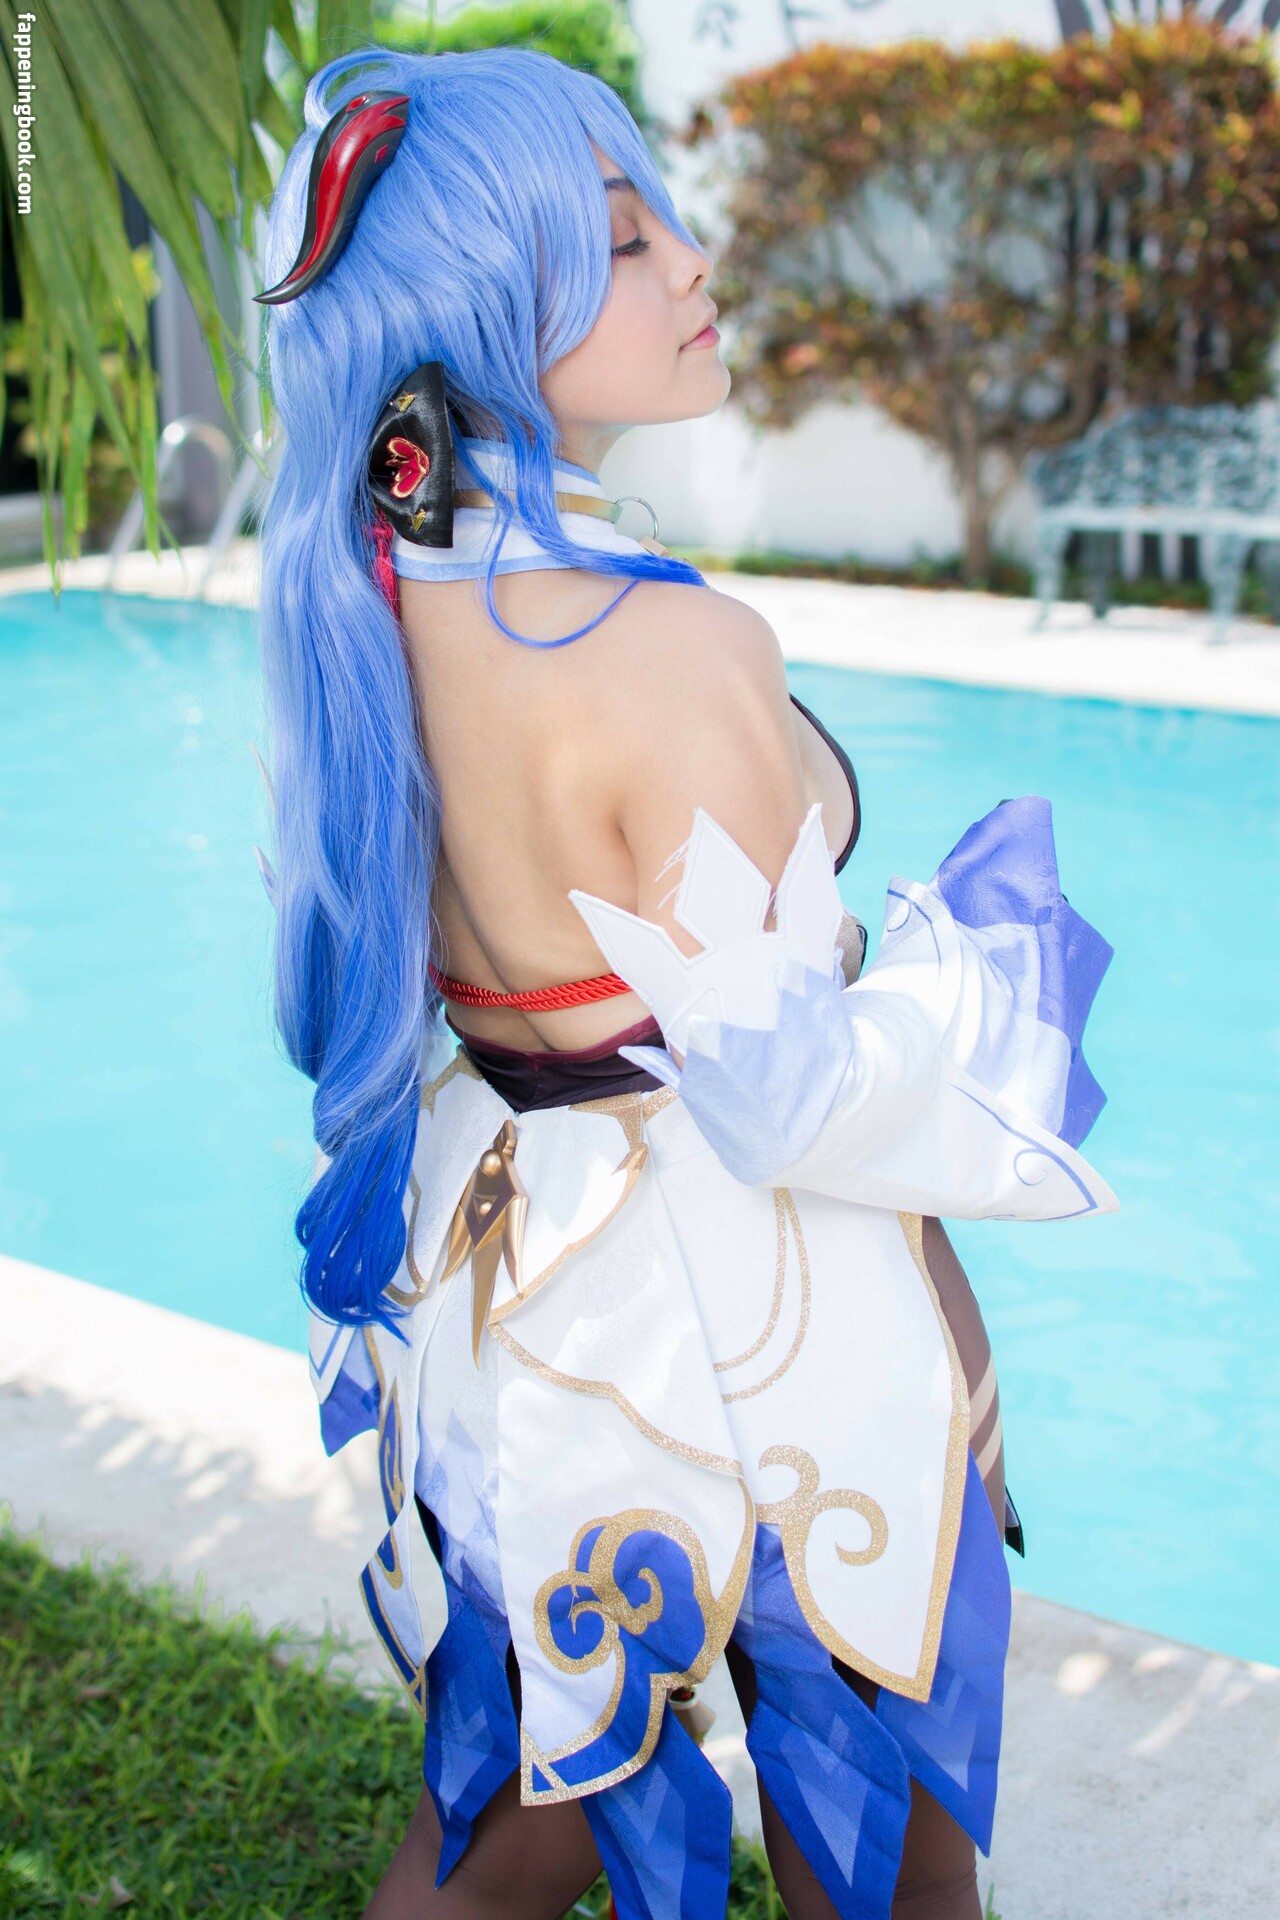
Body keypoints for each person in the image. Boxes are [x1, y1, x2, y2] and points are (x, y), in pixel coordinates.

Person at [253, 44, 1117, 1920]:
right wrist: (987, 985)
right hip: (771, 1319)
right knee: (880, 1849)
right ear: (493, 305)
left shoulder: (374, 607)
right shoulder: (679, 646)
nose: (693, 257)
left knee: (508, 1819)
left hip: (518, 1291)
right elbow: (789, 1097)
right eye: (624, 236)